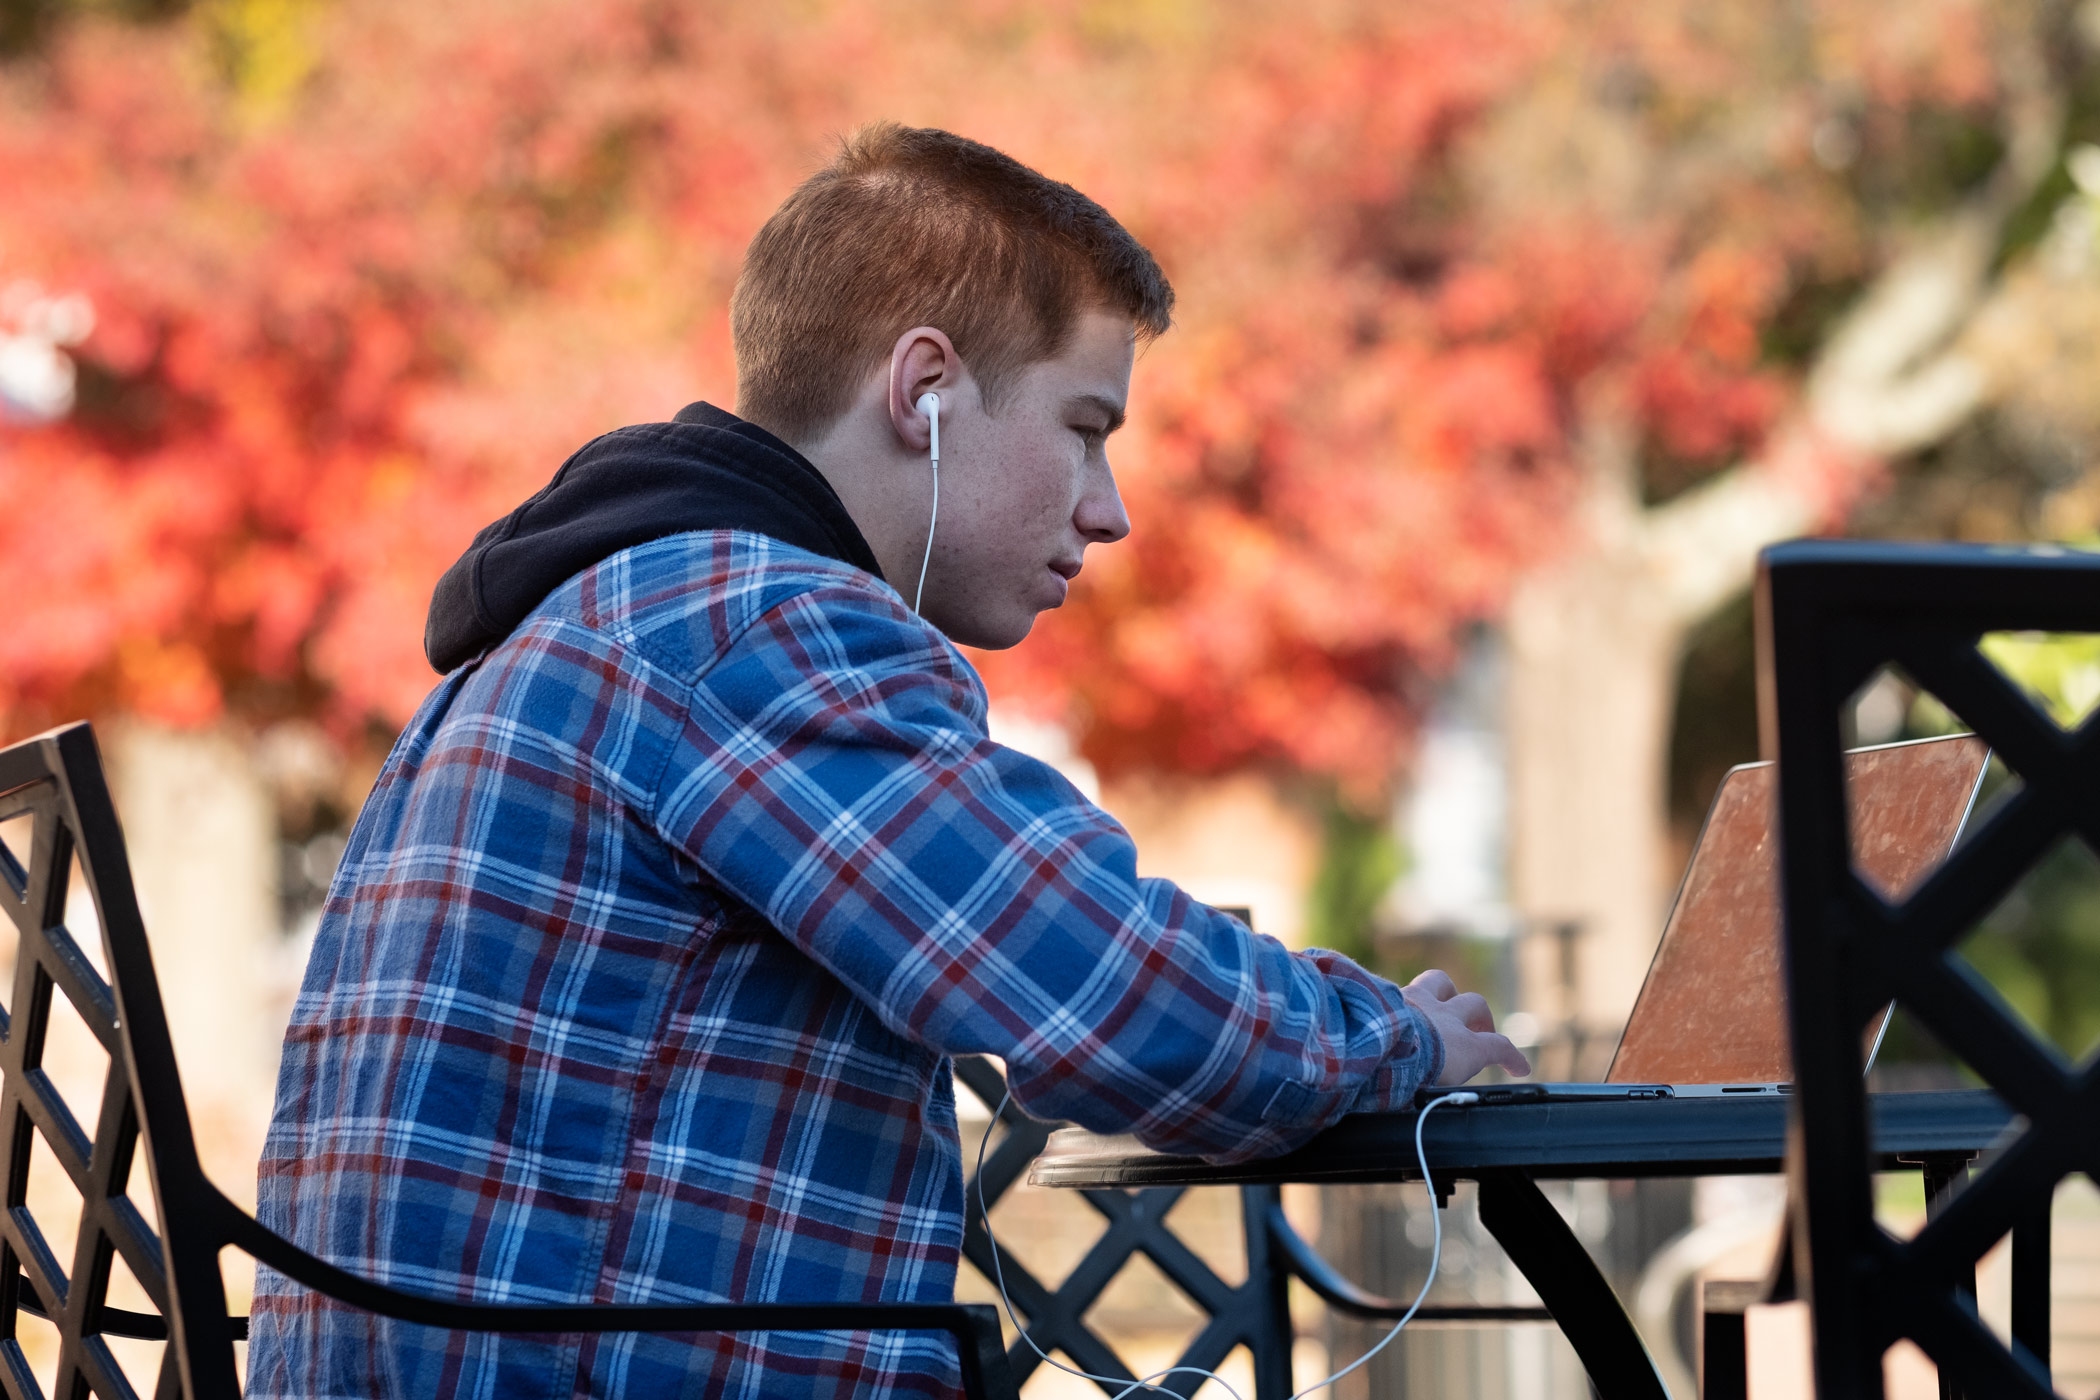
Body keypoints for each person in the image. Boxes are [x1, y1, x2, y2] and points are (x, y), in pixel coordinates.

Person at [247, 122, 1528, 1399]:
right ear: (925, 390)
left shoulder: (582, 620)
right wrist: (1400, 1038)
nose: (1110, 505)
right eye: (1085, 426)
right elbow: (1115, 999)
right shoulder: (755, 624)